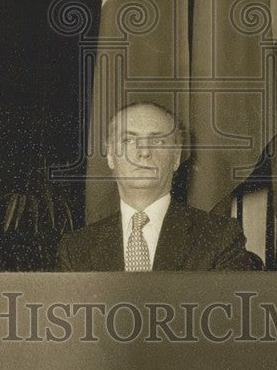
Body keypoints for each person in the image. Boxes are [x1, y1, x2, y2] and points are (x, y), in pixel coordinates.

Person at [57, 102, 259, 271]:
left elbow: (228, 316)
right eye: (128, 140)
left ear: (176, 158)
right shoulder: (75, 248)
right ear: (110, 156)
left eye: (158, 141)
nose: (143, 152)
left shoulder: (219, 237)